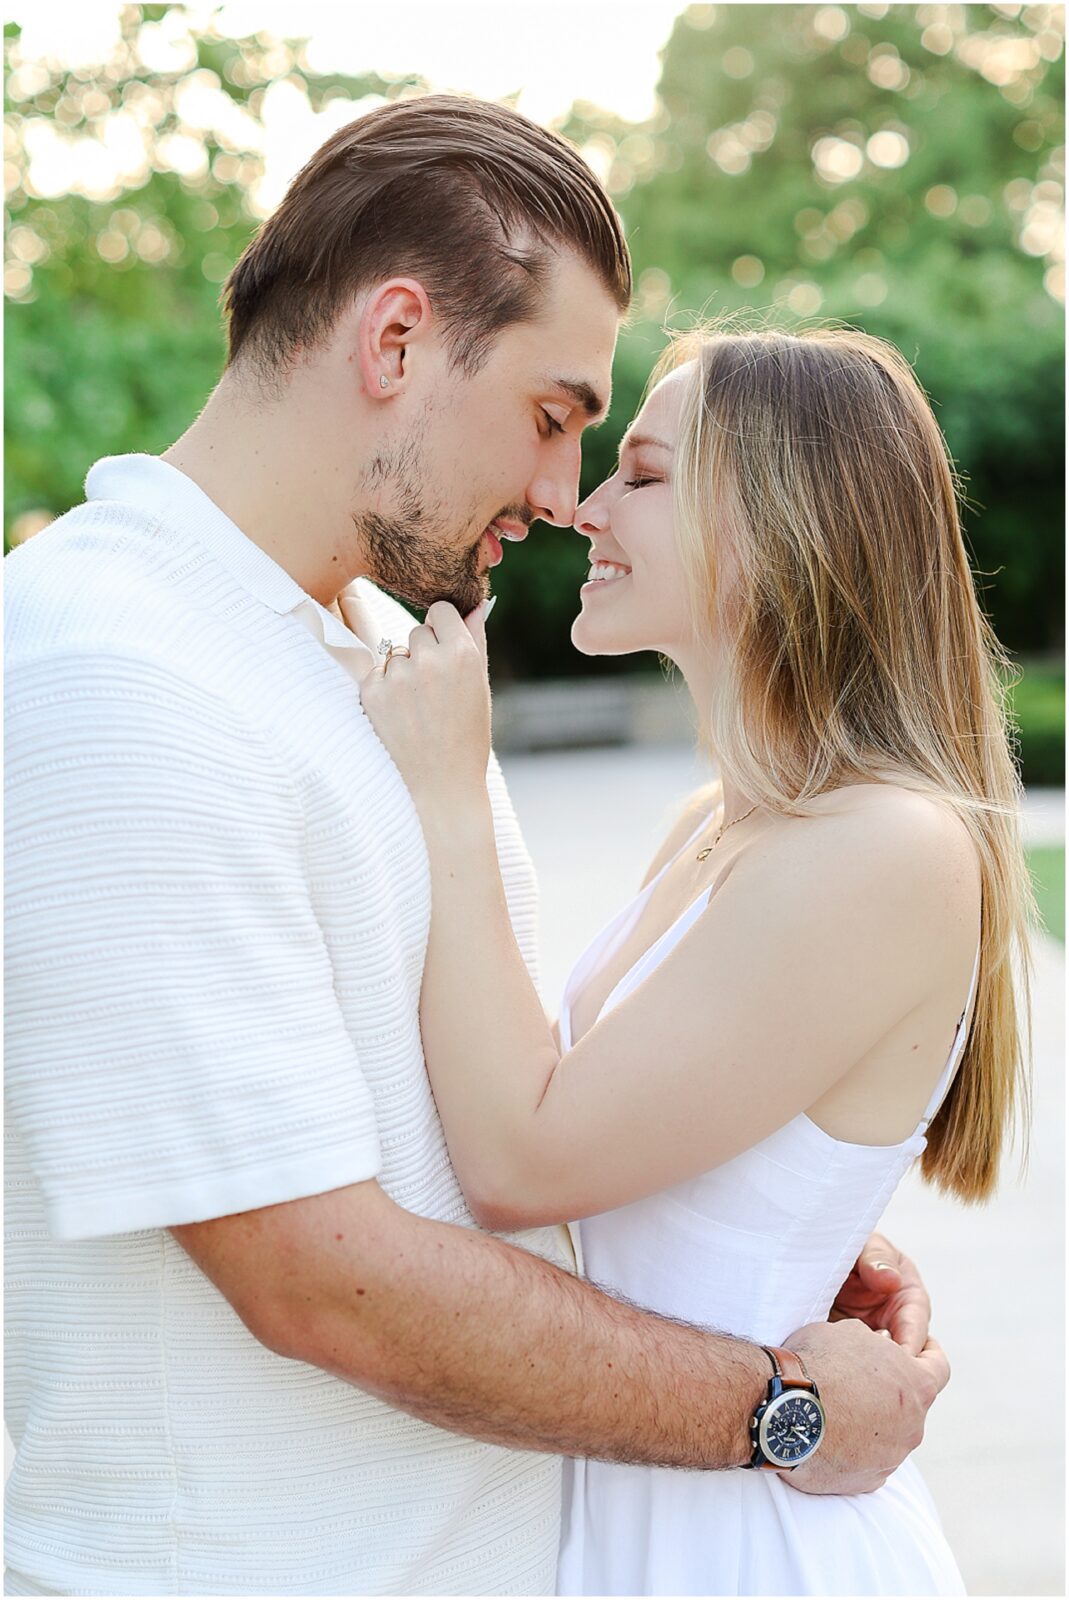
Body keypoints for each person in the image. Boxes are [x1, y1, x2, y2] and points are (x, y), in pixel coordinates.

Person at [6, 98, 947, 1599]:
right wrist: (772, 1403)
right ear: (394, 344)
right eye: (556, 414)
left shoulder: (379, 648)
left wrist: (714, 1229)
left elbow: (451, 1114)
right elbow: (327, 1283)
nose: (562, 494)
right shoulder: (117, 671)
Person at [359, 324, 1033, 1596]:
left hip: (746, 1542)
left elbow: (522, 1158)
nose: (586, 506)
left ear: (786, 520)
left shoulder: (889, 846)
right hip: (629, 1505)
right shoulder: (720, 825)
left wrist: (449, 791)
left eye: (646, 476)